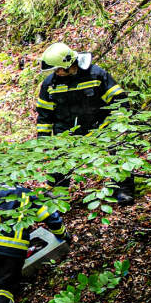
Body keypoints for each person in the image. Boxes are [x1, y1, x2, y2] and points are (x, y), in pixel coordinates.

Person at [35, 43, 131, 204]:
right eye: (55, 70)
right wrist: (43, 141)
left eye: (59, 69)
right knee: (59, 158)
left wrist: (118, 124)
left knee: (120, 148)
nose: (57, 72)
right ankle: (58, 196)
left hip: (99, 126)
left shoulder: (96, 75)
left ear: (70, 64)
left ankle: (123, 190)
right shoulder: (50, 84)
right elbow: (44, 115)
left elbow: (119, 100)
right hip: (66, 131)